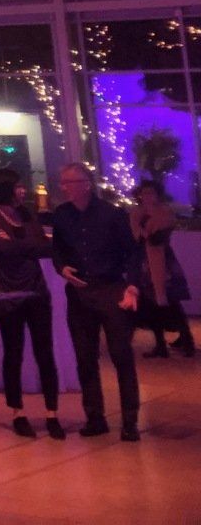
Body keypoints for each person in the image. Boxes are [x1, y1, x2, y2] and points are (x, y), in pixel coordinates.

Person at [53, 162, 142, 439]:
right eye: (63, 182)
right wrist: (62, 268)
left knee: (121, 355)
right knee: (85, 357)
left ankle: (129, 422)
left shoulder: (111, 214)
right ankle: (95, 417)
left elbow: (133, 253)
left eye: (70, 182)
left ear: (86, 184)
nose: (64, 187)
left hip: (110, 289)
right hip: (80, 293)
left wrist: (132, 287)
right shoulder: (62, 215)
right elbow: (57, 250)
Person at [0, 167, 62, 438]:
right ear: (5, 188)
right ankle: (18, 411)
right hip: (8, 293)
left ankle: (52, 413)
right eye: (17, 186)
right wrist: (31, 245)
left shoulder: (26, 213)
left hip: (37, 291)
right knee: (13, 352)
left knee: (45, 352)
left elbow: (42, 246)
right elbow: (8, 248)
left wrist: (25, 243)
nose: (23, 190)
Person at [130, 180, 194, 359]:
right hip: (146, 264)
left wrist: (145, 230)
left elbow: (156, 238)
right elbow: (138, 239)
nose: (147, 196)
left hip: (164, 264)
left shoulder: (165, 212)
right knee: (151, 306)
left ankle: (186, 341)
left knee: (172, 303)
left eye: (151, 193)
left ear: (157, 194)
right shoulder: (136, 214)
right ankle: (160, 345)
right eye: (144, 193)